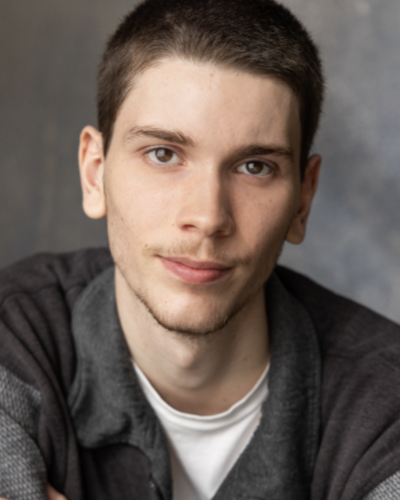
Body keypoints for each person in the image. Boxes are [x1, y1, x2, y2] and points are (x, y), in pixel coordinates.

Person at [1, 0, 400, 499]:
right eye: (163, 154)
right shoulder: (14, 336)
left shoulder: (385, 397)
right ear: (94, 173)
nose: (209, 217)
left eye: (255, 167)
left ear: (303, 198)